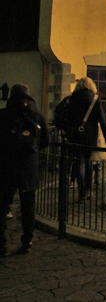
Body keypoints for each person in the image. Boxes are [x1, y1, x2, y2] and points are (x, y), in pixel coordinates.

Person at [0, 85, 50, 256]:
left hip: (6, 165)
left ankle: (2, 243)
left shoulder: (4, 114)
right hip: (29, 166)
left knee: (3, 204)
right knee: (28, 206)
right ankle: (27, 241)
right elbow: (46, 142)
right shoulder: (38, 114)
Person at [67, 78, 106, 202]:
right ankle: (88, 189)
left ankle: (81, 192)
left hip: (76, 135)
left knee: (78, 163)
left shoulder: (73, 98)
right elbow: (101, 118)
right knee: (89, 162)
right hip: (90, 135)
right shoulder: (95, 99)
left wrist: (68, 131)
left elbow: (69, 117)